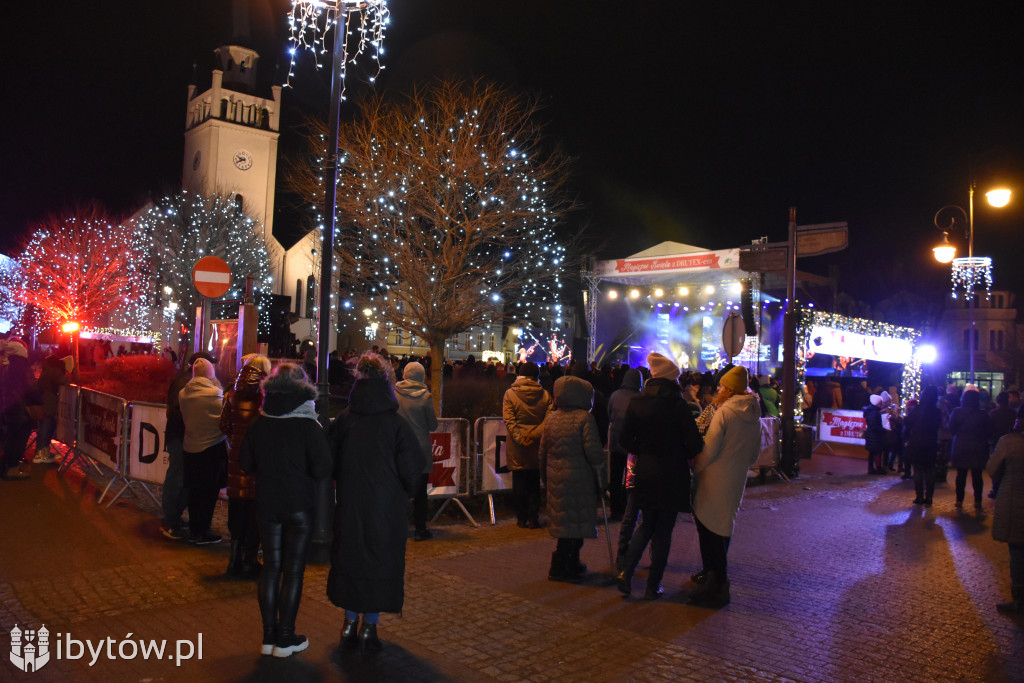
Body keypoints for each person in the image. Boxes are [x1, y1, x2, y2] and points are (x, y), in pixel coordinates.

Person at [327, 352, 421, 653]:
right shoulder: (396, 425)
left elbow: (329, 461)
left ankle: (349, 622)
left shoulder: (344, 419)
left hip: (351, 503)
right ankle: (369, 626)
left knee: (352, 556)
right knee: (380, 559)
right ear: (387, 381)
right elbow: (412, 473)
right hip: (386, 507)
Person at [240, 363, 331, 657]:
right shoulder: (308, 425)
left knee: (270, 569)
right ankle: (286, 636)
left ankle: (268, 637)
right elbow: (323, 468)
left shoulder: (259, 422)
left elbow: (245, 463)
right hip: (299, 505)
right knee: (293, 572)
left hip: (267, 503)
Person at [617, 352, 704, 600]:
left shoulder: (637, 401)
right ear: (671, 380)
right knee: (663, 530)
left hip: (645, 471)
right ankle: (653, 585)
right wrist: (680, 452)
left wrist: (644, 450)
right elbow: (694, 443)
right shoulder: (677, 405)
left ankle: (625, 573)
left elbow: (625, 441)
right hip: (672, 473)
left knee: (646, 525)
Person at [688, 365, 761, 608]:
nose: (717, 389)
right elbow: (754, 453)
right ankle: (713, 579)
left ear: (728, 389)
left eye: (721, 386)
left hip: (714, 477)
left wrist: (696, 468)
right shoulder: (753, 413)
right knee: (723, 526)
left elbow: (710, 448)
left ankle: (716, 583)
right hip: (735, 477)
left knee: (709, 529)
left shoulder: (725, 412)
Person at [538, 375, 607, 583]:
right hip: (579, 479)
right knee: (576, 525)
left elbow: (542, 452)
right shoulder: (584, 418)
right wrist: (602, 481)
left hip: (556, 479)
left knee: (565, 525)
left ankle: (571, 563)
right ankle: (560, 566)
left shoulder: (551, 418)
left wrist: (545, 478)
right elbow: (594, 453)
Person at [221, 354, 272, 577]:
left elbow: (223, 424)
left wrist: (236, 439)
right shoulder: (265, 393)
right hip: (257, 461)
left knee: (236, 512)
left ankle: (233, 561)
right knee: (254, 514)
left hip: (235, 459)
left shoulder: (233, 391)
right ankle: (250, 561)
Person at [161, 352, 214, 539]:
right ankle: (169, 520)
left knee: (184, 478)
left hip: (186, 436)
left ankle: (174, 516)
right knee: (177, 477)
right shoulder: (184, 384)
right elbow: (176, 411)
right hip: (180, 436)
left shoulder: (187, 382)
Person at [179, 357, 228, 544]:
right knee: (209, 493)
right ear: (210, 373)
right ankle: (204, 530)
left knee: (194, 490)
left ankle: (194, 529)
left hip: (190, 447)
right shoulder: (216, 394)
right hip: (212, 449)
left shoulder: (184, 393)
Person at [502, 361, 552, 529]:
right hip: (537, 444)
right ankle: (533, 517)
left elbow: (509, 420)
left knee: (519, 482)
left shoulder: (510, 394)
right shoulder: (545, 395)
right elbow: (549, 419)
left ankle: (521, 518)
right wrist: (534, 435)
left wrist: (520, 438)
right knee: (534, 483)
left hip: (517, 446)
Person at [394, 361, 439, 542]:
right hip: (420, 448)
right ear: (421, 376)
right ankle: (420, 529)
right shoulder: (426, 397)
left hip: (400, 448)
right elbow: (433, 424)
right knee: (420, 493)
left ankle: (397, 528)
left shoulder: (394, 394)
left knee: (399, 490)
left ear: (404, 374)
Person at [988, 418, 1024, 614]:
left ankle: (1019, 601)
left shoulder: (1009, 442)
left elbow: (993, 468)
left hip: (1014, 502)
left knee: (1018, 552)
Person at [607, 368, 643, 521]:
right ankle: (629, 509)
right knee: (631, 478)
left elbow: (609, 415)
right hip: (632, 445)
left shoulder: (615, 396)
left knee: (615, 477)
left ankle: (615, 509)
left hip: (615, 443)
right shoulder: (641, 398)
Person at [950, 386, 992, 510]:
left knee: (961, 475)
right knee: (977, 476)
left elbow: (951, 428)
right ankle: (977, 501)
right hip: (978, 447)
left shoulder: (957, 412)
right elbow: (989, 431)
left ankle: (959, 500)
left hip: (961, 446)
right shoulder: (983, 414)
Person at [0, 339, 35, 480]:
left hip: (9, 407)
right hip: (19, 408)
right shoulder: (19, 366)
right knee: (17, 438)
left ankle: (7, 466)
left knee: (11, 437)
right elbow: (29, 387)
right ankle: (11, 467)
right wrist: (37, 401)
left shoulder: (7, 365)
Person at [903, 386, 942, 506]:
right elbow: (938, 426)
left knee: (918, 470)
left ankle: (919, 497)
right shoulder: (936, 411)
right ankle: (929, 497)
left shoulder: (917, 409)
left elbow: (907, 422)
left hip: (917, 442)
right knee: (930, 470)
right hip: (930, 442)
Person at [31, 354, 72, 464]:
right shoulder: (55, 371)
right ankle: (41, 453)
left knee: (45, 427)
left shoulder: (47, 371)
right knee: (46, 427)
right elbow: (64, 381)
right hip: (48, 404)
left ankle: (42, 452)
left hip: (42, 402)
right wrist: (70, 377)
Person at [863, 394, 886, 475]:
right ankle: (876, 468)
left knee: (872, 453)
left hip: (872, 435)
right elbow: (874, 425)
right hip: (875, 436)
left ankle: (872, 468)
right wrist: (883, 429)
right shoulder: (875, 412)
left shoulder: (871, 411)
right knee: (877, 452)